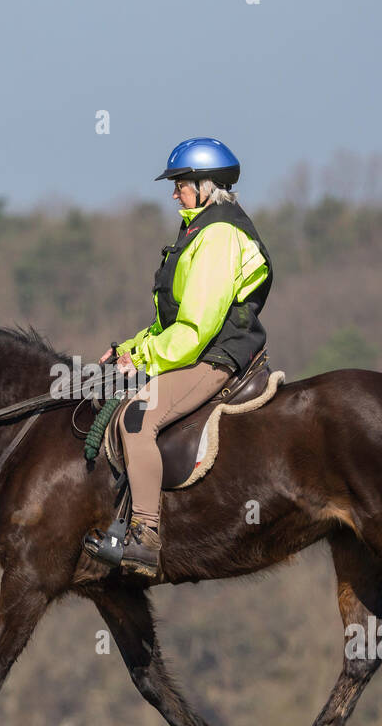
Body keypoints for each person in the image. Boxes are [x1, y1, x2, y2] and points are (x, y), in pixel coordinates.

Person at [91, 136, 274, 578]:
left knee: (137, 420)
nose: (174, 194)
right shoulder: (199, 230)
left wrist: (146, 361)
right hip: (199, 351)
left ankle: (145, 538)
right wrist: (129, 349)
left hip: (214, 358)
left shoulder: (219, 235)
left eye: (181, 184)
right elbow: (171, 323)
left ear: (207, 185)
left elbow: (196, 329)